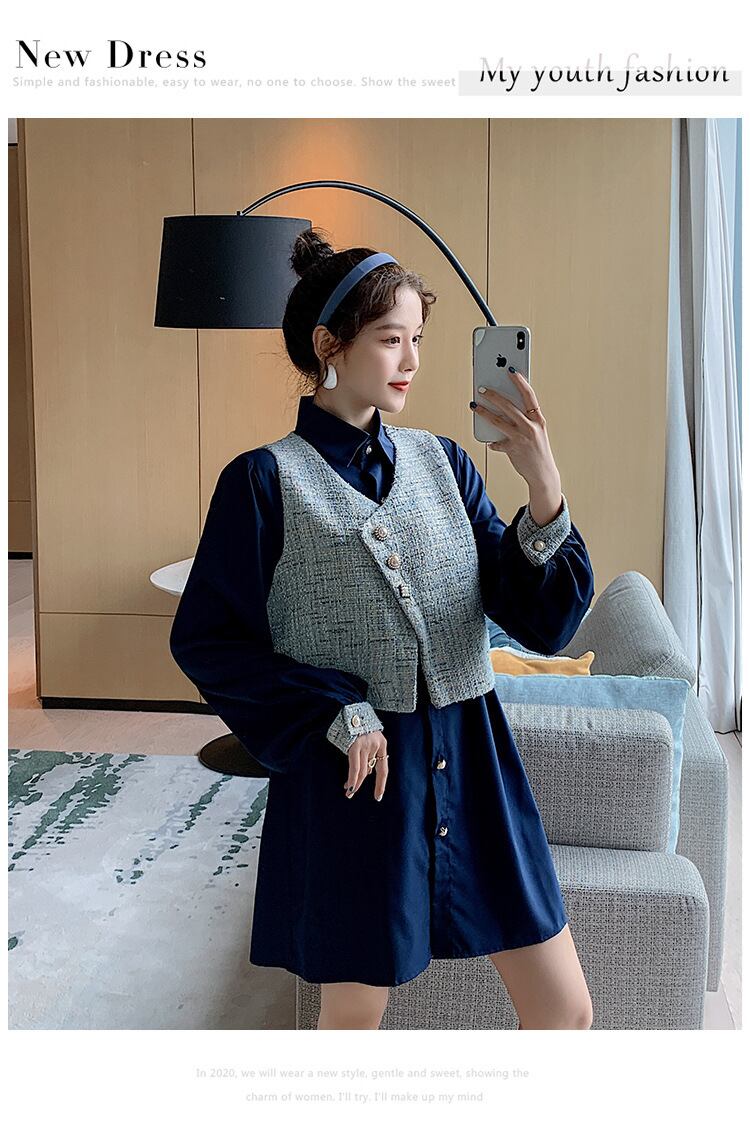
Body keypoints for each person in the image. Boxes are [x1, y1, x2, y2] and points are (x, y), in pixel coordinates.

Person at [169, 228, 596, 1031]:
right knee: (352, 1025)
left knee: (565, 1010)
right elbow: (208, 641)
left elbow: (540, 619)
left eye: (419, 340)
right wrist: (336, 705)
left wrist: (543, 486)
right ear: (329, 345)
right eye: (391, 339)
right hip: (358, 788)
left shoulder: (447, 463)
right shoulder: (262, 481)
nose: (411, 360)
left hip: (474, 762)